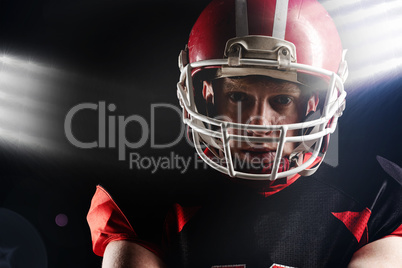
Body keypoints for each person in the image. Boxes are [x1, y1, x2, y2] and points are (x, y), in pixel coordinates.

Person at [87, 0, 402, 267]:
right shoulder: (147, 192)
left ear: (313, 103)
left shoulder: (377, 196)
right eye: (238, 97)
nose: (258, 123)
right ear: (207, 95)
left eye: (281, 100)